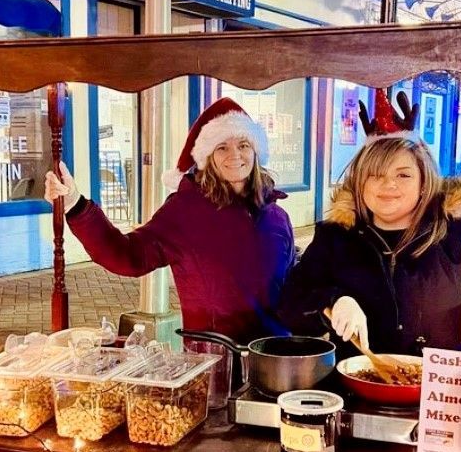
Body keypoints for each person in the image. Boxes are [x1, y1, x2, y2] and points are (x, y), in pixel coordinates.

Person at [44, 97, 295, 344]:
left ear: (255, 151)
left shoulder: (276, 216)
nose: (235, 155)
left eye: (243, 145)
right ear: (208, 158)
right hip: (217, 362)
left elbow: (293, 285)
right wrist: (76, 204)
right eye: (222, 147)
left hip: (276, 357)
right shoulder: (186, 211)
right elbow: (126, 255)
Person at [278, 132, 461, 359]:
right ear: (360, 182)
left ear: (423, 182)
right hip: (359, 388)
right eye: (374, 175)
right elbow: (291, 304)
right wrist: (333, 302)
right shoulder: (336, 238)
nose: (388, 185)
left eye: (403, 175)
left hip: (447, 391)